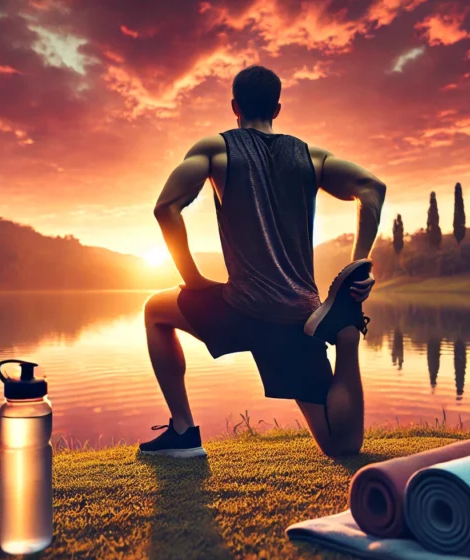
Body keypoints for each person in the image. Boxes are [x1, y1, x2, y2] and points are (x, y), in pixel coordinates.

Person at [140, 65, 386, 459]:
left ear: (234, 106)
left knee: (155, 311)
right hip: (300, 318)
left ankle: (183, 431)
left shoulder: (214, 149)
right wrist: (360, 267)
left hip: (240, 308)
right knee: (343, 446)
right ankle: (346, 335)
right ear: (278, 108)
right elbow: (372, 188)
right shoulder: (312, 156)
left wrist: (193, 279)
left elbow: (166, 208)